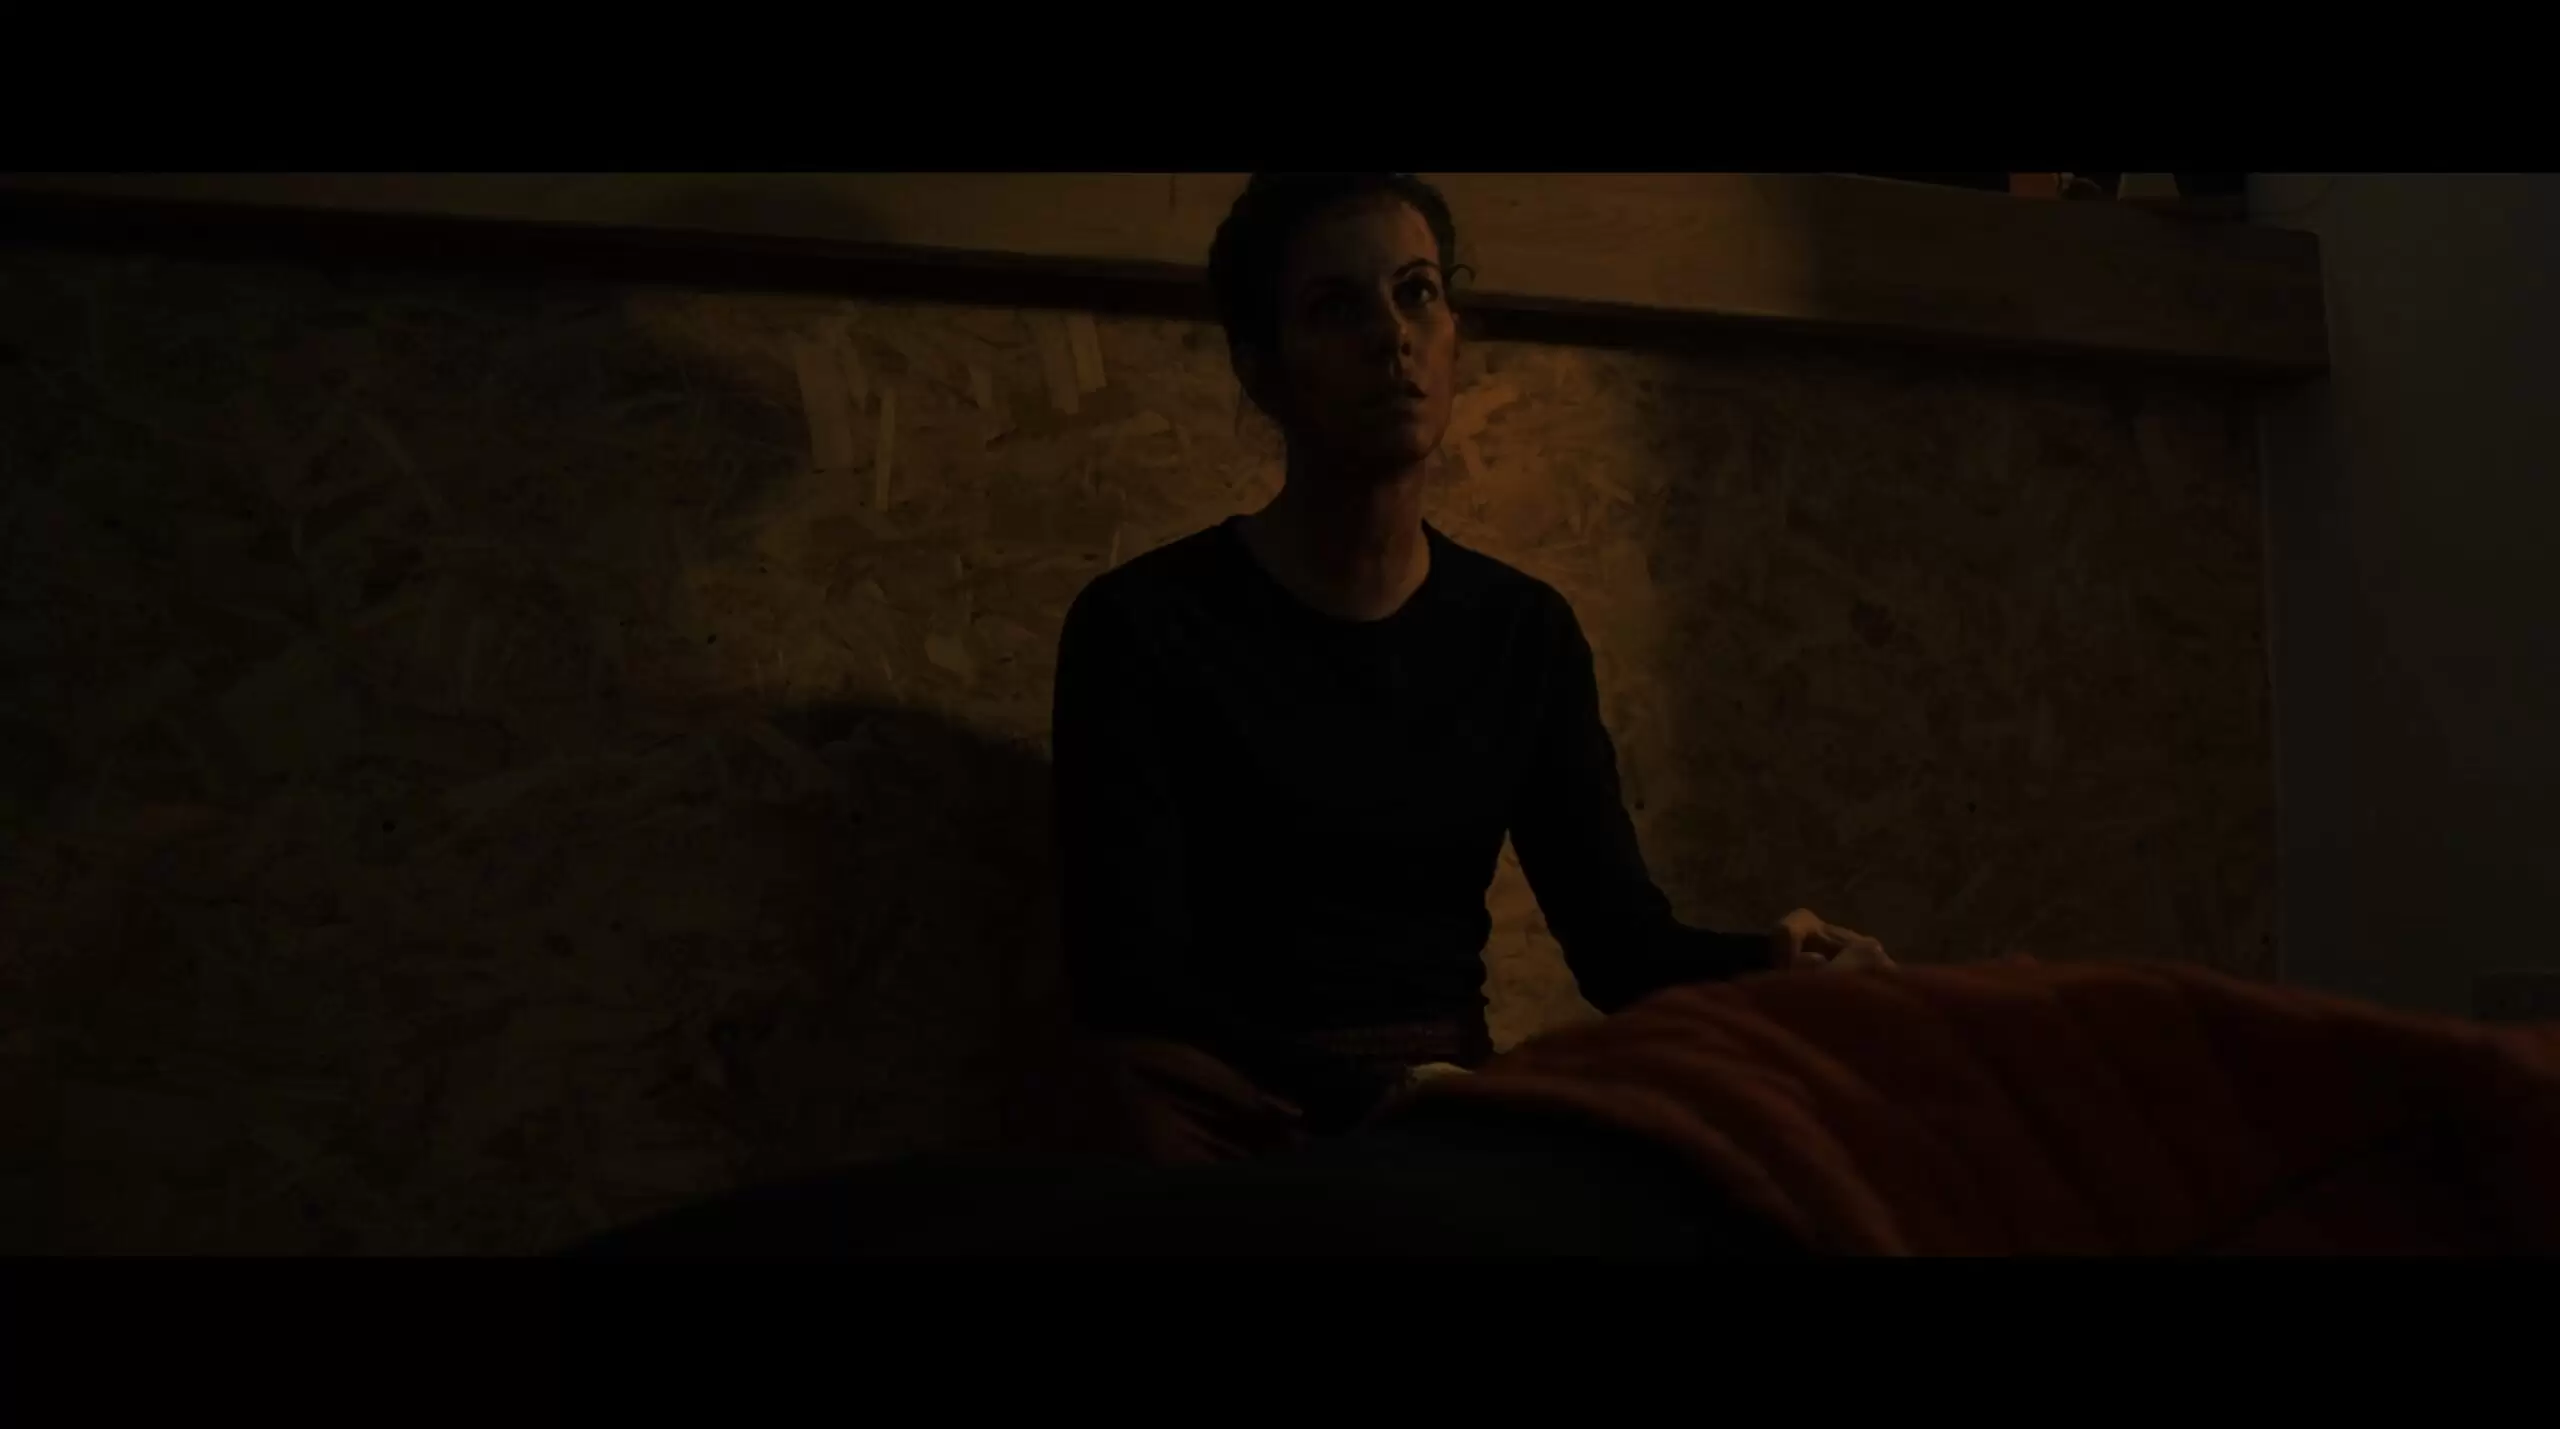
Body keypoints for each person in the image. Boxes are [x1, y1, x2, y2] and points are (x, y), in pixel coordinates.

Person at [1050, 173, 1888, 1163]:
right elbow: (1132, 979)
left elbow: (1620, 945)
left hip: (1442, 1108)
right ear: (1261, 370)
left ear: (1453, 329)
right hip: (1239, 1104)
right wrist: (1375, 1097)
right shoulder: (1144, 625)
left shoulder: (1520, 632)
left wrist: (1776, 966)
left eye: (1416, 292)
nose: (1391, 336)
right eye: (1335, 307)